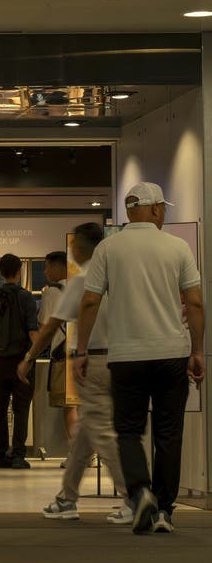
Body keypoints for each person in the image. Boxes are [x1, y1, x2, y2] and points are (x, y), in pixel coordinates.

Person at [75, 182, 204, 534]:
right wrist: (197, 351)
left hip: (127, 356)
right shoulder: (177, 247)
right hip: (171, 354)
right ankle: (164, 510)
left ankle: (140, 491)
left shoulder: (108, 249)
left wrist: (82, 350)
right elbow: (194, 303)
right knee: (168, 432)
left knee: (128, 431)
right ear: (156, 209)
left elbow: (89, 302)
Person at [17, 224, 131, 524]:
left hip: (91, 363)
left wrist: (29, 358)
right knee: (86, 431)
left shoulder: (83, 282)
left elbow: (51, 326)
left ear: (80, 248)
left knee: (102, 431)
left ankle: (135, 496)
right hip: (122, 361)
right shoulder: (121, 279)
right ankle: (67, 497)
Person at [0, 253, 39, 469]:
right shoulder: (26, 297)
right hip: (22, 362)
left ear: (0, 271)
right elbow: (33, 331)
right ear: (19, 270)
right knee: (21, 409)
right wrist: (31, 358)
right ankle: (18, 456)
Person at [40, 250, 78, 449]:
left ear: (57, 267)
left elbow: (45, 327)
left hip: (64, 356)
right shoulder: (81, 287)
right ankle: (93, 452)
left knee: (69, 407)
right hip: (86, 354)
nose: (45, 271)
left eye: (47, 267)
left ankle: (79, 455)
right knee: (85, 408)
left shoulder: (52, 292)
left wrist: (30, 355)